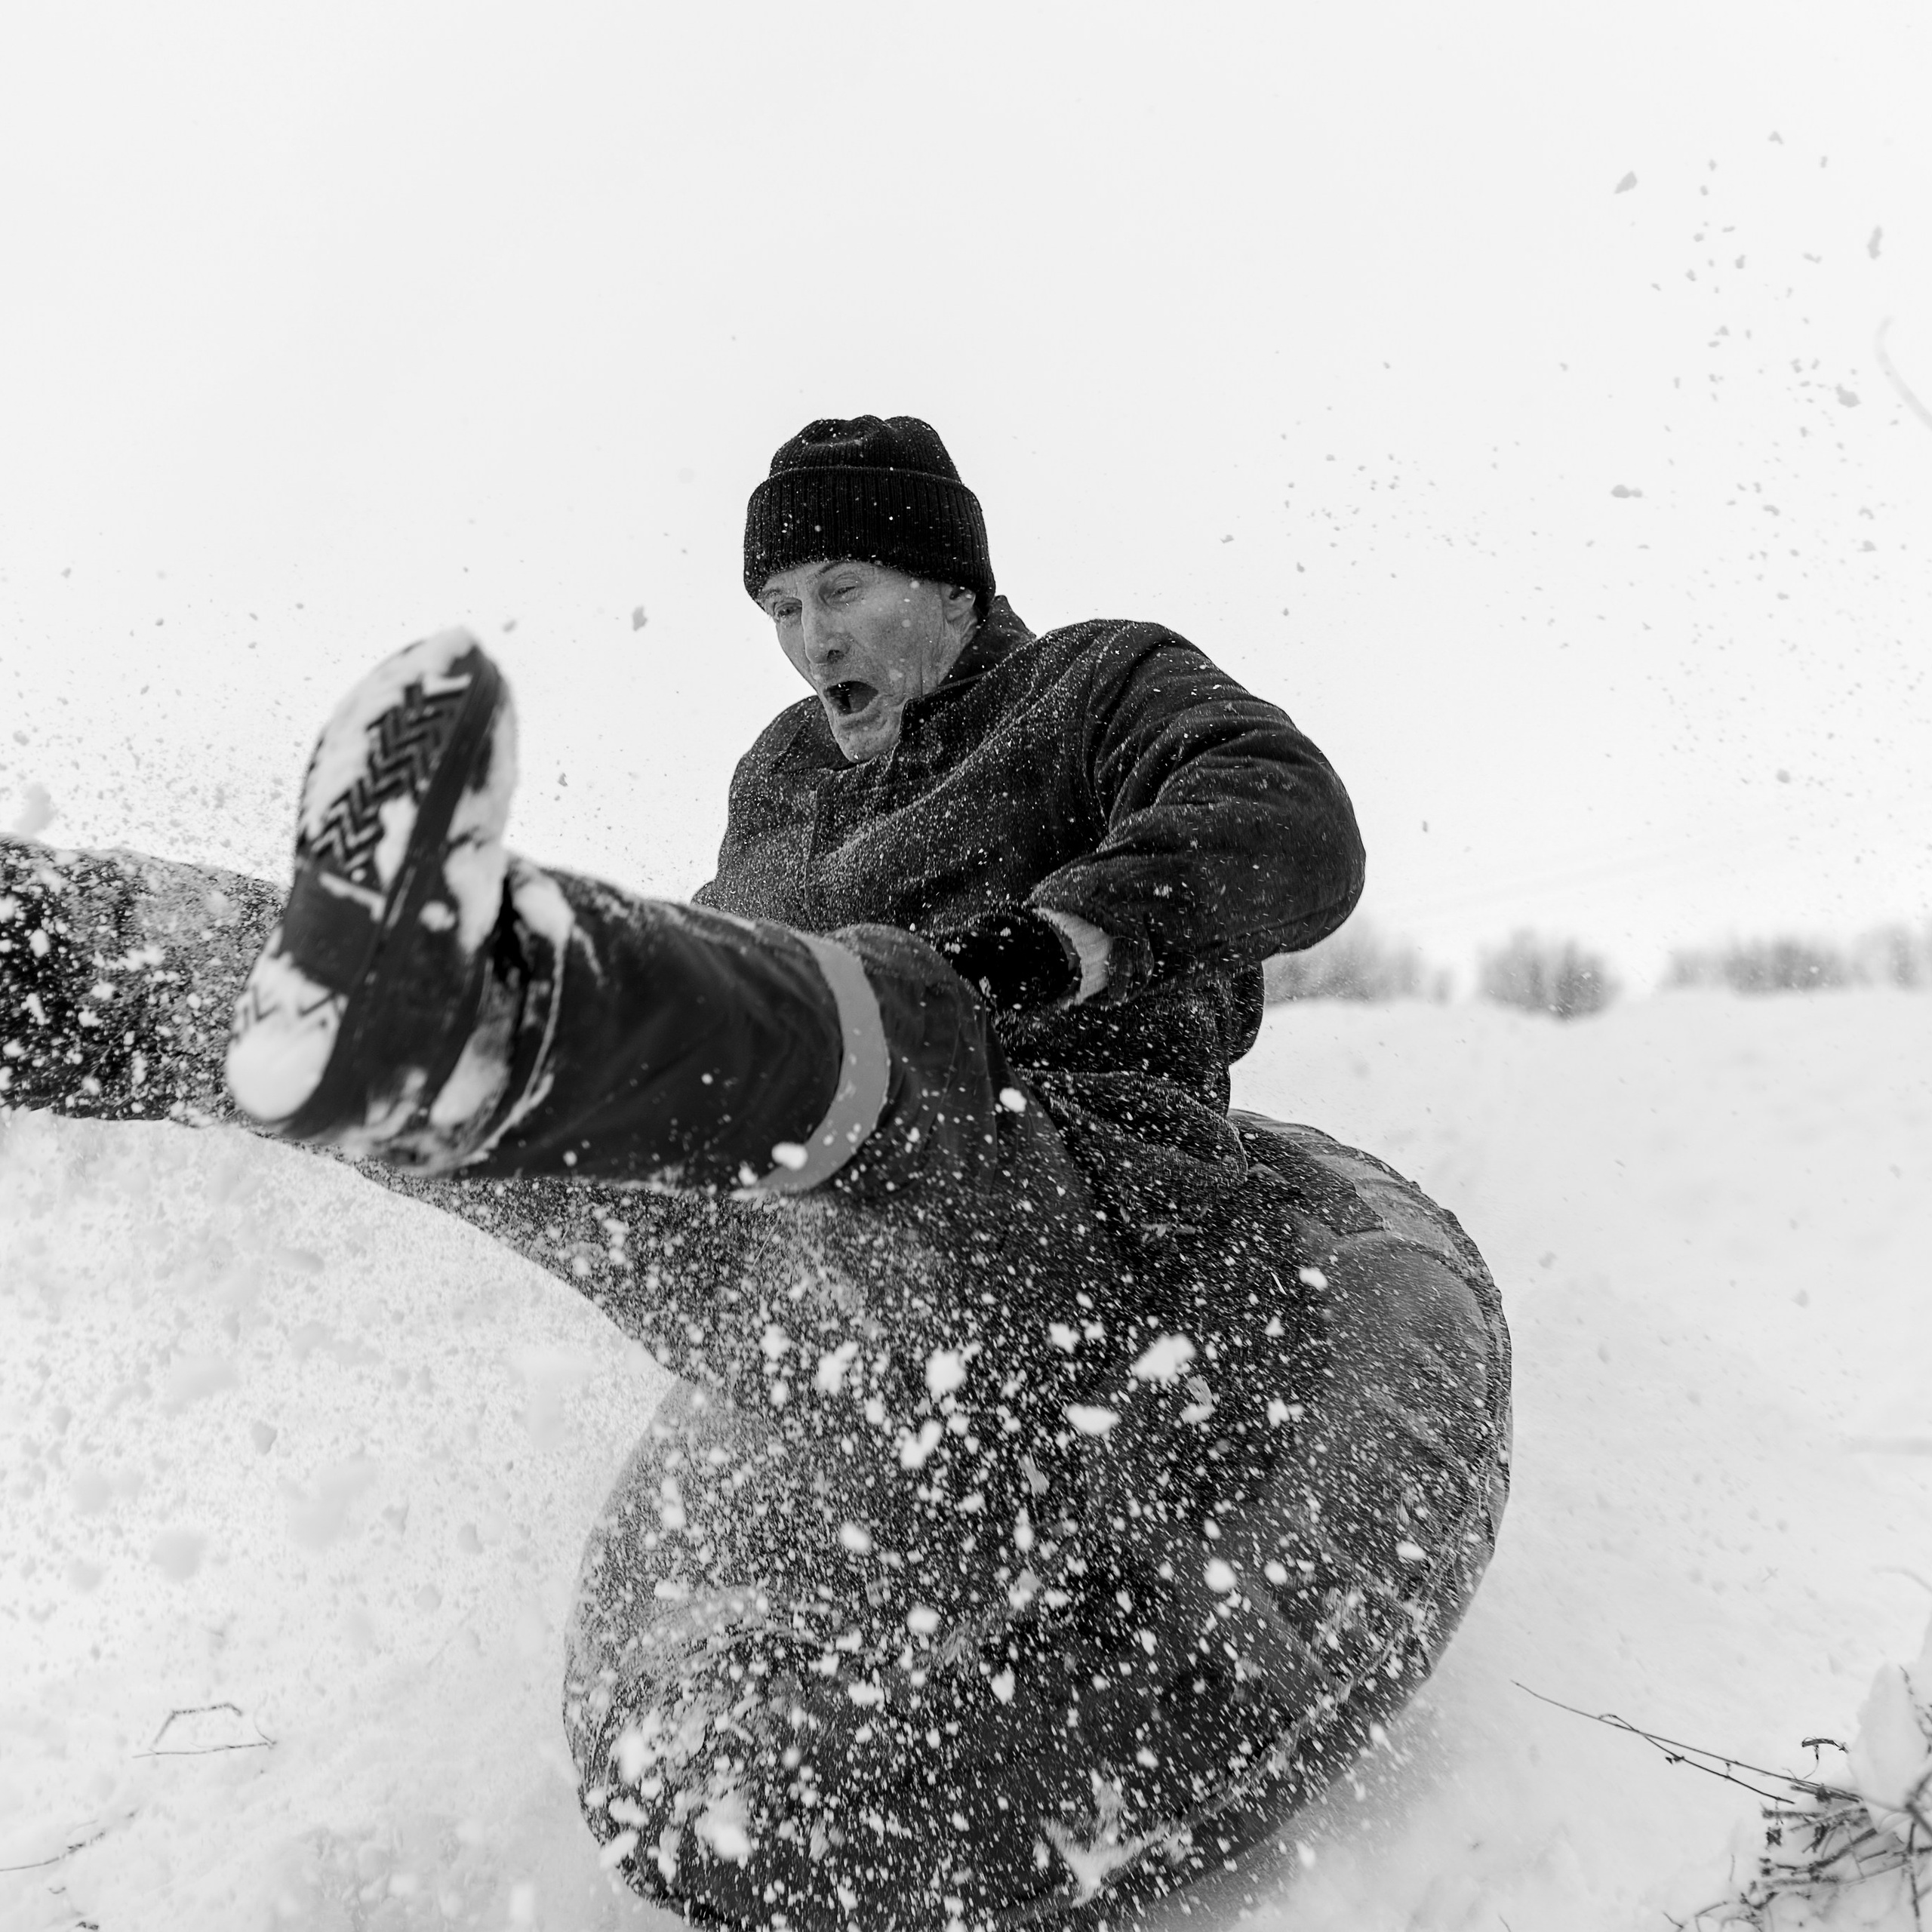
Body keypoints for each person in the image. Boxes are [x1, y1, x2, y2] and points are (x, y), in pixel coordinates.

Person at [1, 417, 1508, 1931]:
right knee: (607, 1166)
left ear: (946, 578)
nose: (805, 640)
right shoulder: (779, 778)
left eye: (837, 589)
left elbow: (1293, 820)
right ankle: (88, 965)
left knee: (890, 1041)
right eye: (777, 609)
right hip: (835, 1300)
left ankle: (498, 1004)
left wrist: (1067, 935)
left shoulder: (1088, 684)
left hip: (1086, 1206)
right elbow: (721, 1020)